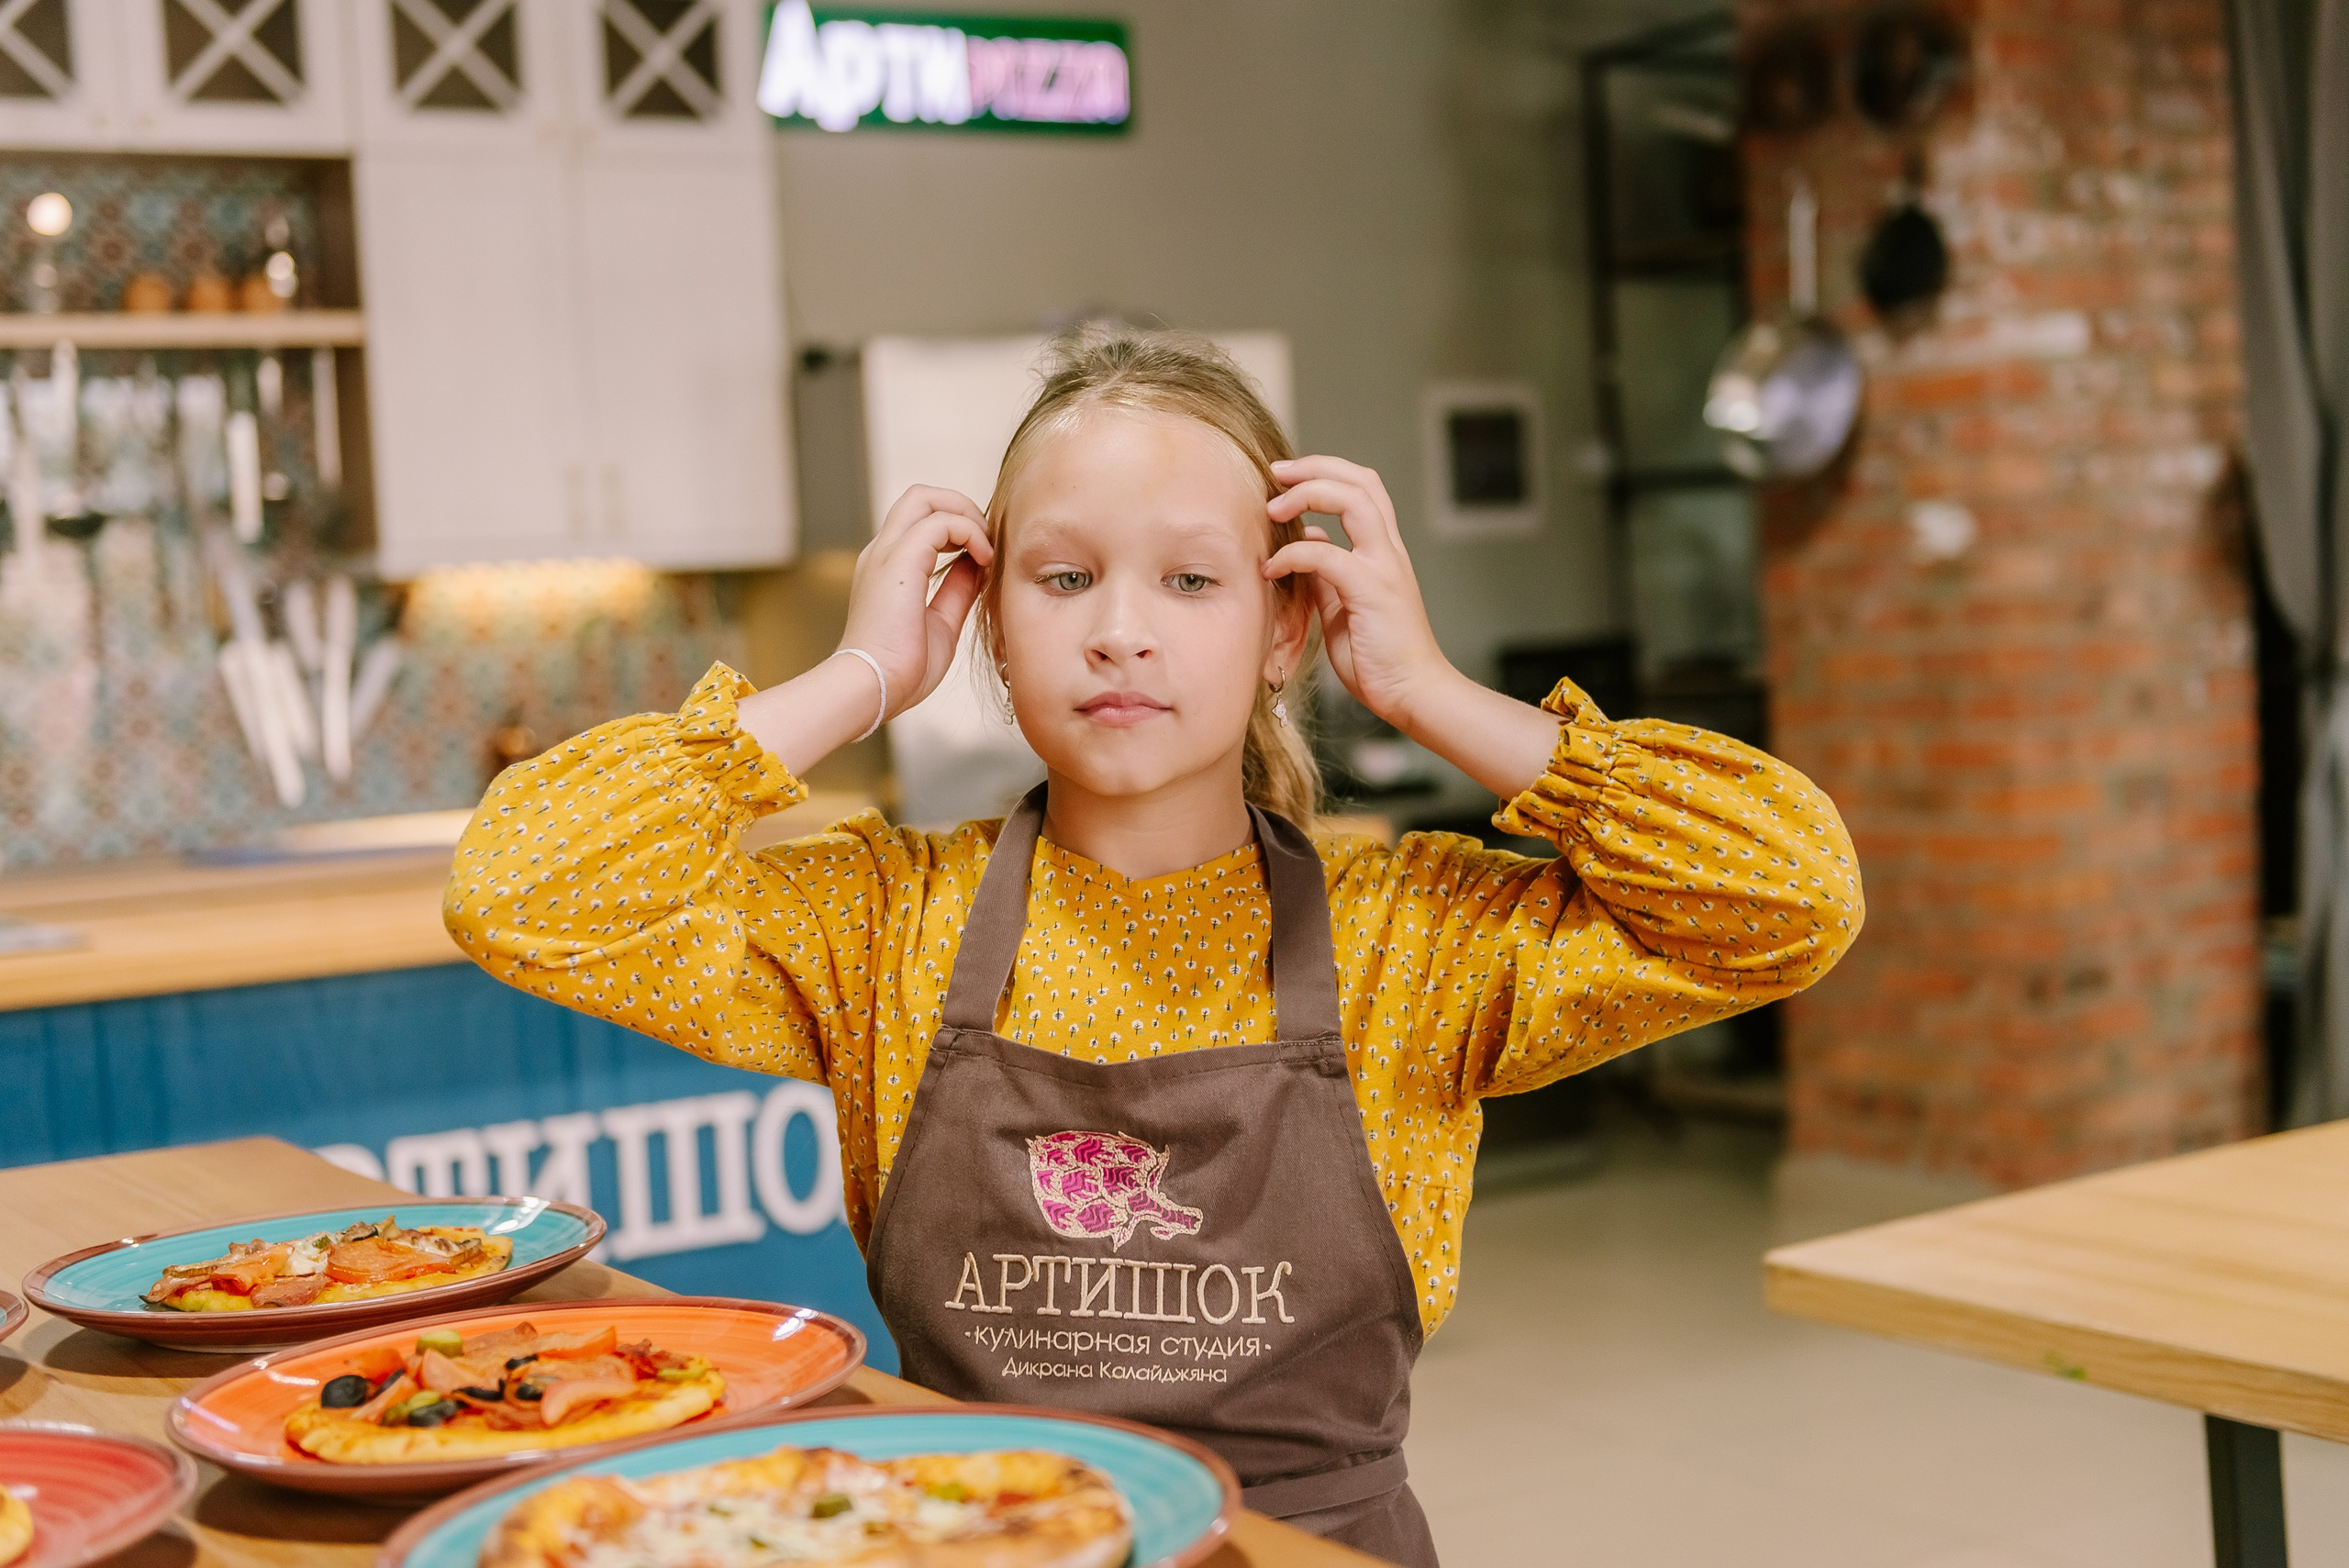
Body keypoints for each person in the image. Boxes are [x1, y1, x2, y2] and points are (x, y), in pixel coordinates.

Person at [444, 328, 1862, 1566]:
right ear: (989, 622)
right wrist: (854, 675)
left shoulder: (1413, 936)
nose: (1121, 632)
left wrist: (1428, 690)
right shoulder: (877, 920)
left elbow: (1792, 891)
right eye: (1063, 579)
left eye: (1192, 582)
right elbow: (519, 887)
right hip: (975, 1535)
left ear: (1284, 625)